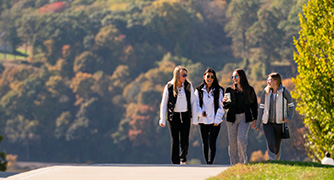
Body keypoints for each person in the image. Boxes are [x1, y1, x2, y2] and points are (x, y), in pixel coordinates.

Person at [159, 65, 197, 165]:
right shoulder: (169, 87)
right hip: (173, 117)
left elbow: (193, 102)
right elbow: (164, 103)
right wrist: (162, 119)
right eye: (183, 75)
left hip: (185, 116)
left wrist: (195, 119)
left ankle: (183, 157)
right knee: (175, 139)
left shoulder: (188, 85)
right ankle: (175, 162)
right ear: (177, 75)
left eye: (186, 75)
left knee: (185, 140)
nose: (185, 77)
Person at [255, 72, 295, 160]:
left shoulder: (284, 92)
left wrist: (289, 117)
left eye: (270, 80)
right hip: (267, 122)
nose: (268, 82)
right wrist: (258, 123)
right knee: (270, 142)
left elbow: (291, 105)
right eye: (267, 80)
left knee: (277, 145)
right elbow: (261, 108)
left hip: (279, 122)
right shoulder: (265, 92)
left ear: (276, 81)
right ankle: (271, 160)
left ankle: (276, 160)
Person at [223, 69, 258, 165]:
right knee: (233, 144)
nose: (234, 79)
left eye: (236, 76)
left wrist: (255, 119)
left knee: (241, 139)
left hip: (244, 117)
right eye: (232, 77)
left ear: (241, 77)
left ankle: (242, 162)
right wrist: (224, 102)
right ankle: (234, 164)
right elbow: (226, 106)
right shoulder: (229, 90)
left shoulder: (249, 90)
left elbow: (254, 105)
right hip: (232, 119)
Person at [194, 68, 225, 164]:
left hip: (214, 121)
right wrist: (200, 113)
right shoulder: (198, 90)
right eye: (208, 76)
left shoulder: (219, 90)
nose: (210, 78)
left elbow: (221, 106)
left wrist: (217, 119)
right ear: (204, 77)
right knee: (205, 142)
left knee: (212, 142)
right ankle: (207, 162)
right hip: (203, 120)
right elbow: (196, 105)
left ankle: (210, 162)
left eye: (212, 77)